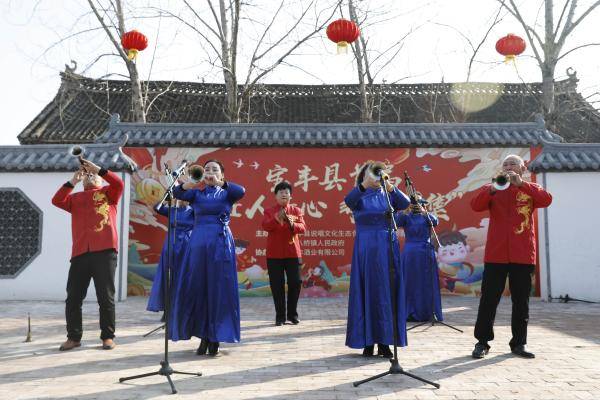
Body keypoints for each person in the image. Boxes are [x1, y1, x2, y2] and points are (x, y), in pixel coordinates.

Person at [470, 154, 552, 359]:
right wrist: (491, 189)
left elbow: (546, 200)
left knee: (521, 301)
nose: (508, 167)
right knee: (489, 299)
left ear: (522, 168)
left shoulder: (531, 189)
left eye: (513, 163)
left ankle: (519, 344)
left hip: (523, 254)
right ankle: (482, 342)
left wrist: (521, 184)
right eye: (505, 164)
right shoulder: (493, 187)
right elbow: (475, 205)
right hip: (496, 254)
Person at [171, 160, 245, 356]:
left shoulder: (227, 193)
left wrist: (219, 183)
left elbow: (241, 191)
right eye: (207, 170)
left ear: (222, 174)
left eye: (215, 170)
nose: (210, 173)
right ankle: (203, 336)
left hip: (220, 244)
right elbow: (177, 193)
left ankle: (216, 337)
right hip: (198, 243)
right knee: (199, 288)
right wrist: (192, 181)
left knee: (218, 289)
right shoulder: (197, 193)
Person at [51, 159, 124, 351]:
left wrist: (97, 169)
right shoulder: (74, 198)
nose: (90, 176)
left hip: (105, 251)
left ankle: (107, 336)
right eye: (87, 175)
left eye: (94, 175)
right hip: (81, 253)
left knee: (105, 297)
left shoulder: (109, 194)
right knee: (73, 297)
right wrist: (74, 181)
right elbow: (56, 200)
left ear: (101, 179)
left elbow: (119, 183)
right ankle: (74, 337)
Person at [344, 161, 411, 358]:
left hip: (388, 247)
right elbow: (348, 201)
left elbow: (406, 203)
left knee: (387, 292)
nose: (376, 176)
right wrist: (364, 184)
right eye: (372, 172)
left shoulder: (389, 195)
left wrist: (391, 187)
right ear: (364, 175)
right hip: (367, 248)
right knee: (369, 291)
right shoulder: (359, 193)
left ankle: (385, 341)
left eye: (378, 172)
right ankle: (367, 340)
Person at [262, 181, 306, 326]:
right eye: (281, 192)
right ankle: (280, 316)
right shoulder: (269, 211)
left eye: (287, 192)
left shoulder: (296, 210)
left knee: (295, 282)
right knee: (277, 285)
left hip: (293, 253)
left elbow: (303, 227)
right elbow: (265, 226)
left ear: (290, 196)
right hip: (274, 255)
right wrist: (276, 218)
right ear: (275, 196)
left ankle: (292, 314)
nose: (284, 194)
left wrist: (291, 223)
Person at [395, 197, 443, 322]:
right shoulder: (406, 216)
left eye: (419, 204)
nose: (416, 207)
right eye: (414, 204)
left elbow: (435, 221)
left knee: (426, 282)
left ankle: (428, 312)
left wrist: (423, 211)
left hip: (426, 251)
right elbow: (396, 222)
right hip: (410, 252)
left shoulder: (427, 216)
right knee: (410, 282)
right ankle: (409, 312)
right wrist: (406, 210)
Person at [146, 199, 194, 315]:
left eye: (185, 198)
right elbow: (157, 207)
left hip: (187, 246)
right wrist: (168, 199)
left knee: (185, 276)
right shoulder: (172, 211)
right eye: (181, 198)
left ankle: (184, 309)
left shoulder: (194, 211)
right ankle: (168, 310)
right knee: (169, 277)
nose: (183, 200)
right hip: (171, 246)